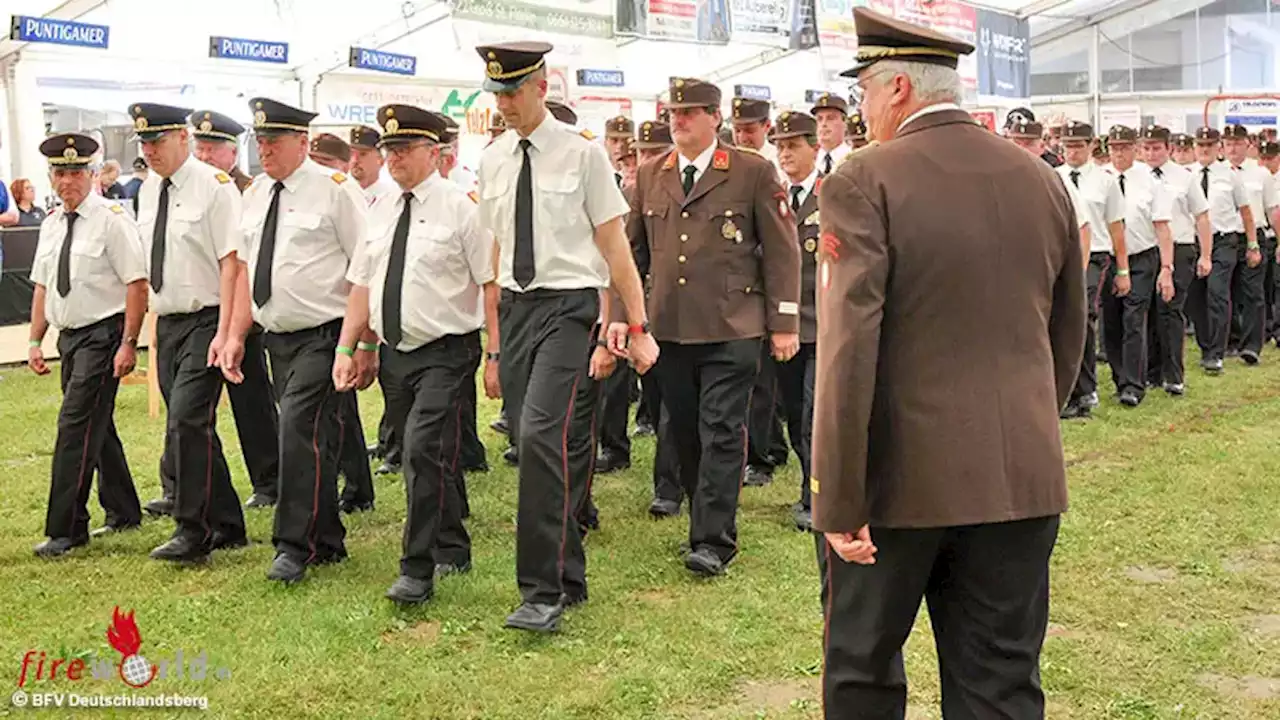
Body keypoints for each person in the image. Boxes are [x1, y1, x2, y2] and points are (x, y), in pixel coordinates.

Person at [813, 9, 1086, 718]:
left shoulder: (862, 178)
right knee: (999, 682)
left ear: (899, 87)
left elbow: (847, 352)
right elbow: (1066, 331)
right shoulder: (1043, 179)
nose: (862, 109)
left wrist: (838, 497)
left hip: (897, 488)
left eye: (866, 92)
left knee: (863, 673)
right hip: (1019, 476)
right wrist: (1026, 426)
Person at [475, 41, 654, 632]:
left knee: (540, 435)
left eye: (512, 91)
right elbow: (497, 253)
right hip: (521, 308)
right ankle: (569, 574)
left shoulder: (583, 157)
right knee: (530, 440)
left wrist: (635, 321)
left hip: (570, 307)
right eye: (495, 92)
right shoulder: (494, 159)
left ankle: (541, 591)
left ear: (541, 87)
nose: (503, 103)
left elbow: (613, 245)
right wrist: (495, 343)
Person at [624, 75, 799, 577]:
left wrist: (783, 321)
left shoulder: (751, 171)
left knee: (723, 429)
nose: (678, 121)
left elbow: (783, 252)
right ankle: (704, 515)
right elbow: (632, 253)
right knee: (683, 430)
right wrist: (624, 318)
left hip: (733, 324)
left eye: (690, 112)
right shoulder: (650, 175)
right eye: (673, 114)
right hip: (671, 327)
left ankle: (712, 539)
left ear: (714, 118)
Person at [334, 105, 499, 605]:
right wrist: (353, 346)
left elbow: (490, 285)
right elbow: (363, 285)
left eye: (405, 148)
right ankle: (452, 542)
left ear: (435, 152)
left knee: (422, 449)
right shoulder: (379, 209)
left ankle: (416, 567)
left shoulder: (462, 208)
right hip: (396, 353)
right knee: (427, 451)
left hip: (447, 351)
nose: (394, 157)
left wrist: (496, 355)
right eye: (389, 150)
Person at [238, 97, 369, 584]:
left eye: (273, 140)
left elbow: (365, 266)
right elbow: (244, 269)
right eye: (260, 141)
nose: (265, 149)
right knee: (314, 438)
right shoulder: (254, 195)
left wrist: (360, 343)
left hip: (326, 334)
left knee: (296, 430)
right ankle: (327, 538)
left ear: (303, 142)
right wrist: (234, 334)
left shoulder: (335, 191)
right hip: (277, 336)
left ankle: (293, 544)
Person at [131, 102, 249, 563]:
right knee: (193, 425)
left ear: (183, 137)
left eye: (156, 141)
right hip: (170, 320)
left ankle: (191, 528)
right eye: (143, 143)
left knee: (185, 419)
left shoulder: (215, 188)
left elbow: (232, 263)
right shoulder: (148, 191)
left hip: (207, 318)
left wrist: (226, 333)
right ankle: (227, 522)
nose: (149, 150)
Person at [27, 134, 147, 557]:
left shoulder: (113, 219)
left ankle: (67, 529)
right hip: (71, 338)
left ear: (94, 175)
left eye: (77, 172)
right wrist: (35, 339)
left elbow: (136, 284)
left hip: (104, 335)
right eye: (60, 173)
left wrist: (129, 343)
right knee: (98, 424)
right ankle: (124, 509)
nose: (68, 182)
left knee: (74, 427)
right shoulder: (52, 223)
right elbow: (43, 286)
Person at [187, 108, 282, 509]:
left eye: (213, 149)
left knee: (252, 398)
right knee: (188, 409)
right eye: (200, 148)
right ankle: (180, 483)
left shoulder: (249, 191)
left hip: (246, 310)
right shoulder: (192, 188)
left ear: (233, 153)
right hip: (202, 308)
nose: (205, 157)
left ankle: (269, 479)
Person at [309, 135, 378, 512]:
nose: (317, 166)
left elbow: (362, 264)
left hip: (337, 315)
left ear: (341, 163)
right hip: (319, 318)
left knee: (332, 409)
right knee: (340, 408)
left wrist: (363, 339)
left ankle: (353, 485)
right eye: (312, 159)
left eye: (325, 160)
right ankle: (356, 484)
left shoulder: (343, 192)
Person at [769, 111, 822, 532]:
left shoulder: (834, 191)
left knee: (813, 415)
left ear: (815, 147)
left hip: (823, 323)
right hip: (784, 324)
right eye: (780, 146)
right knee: (791, 411)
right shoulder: (773, 194)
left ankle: (814, 494)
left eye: (794, 145)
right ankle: (810, 478)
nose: (785, 152)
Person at [1056, 120, 1127, 419]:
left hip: (1095, 255)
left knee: (1082, 317)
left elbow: (1116, 227)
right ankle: (1066, 388)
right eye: (1067, 146)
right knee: (1059, 320)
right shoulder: (1052, 176)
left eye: (1078, 145)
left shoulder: (1105, 180)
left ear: (1091, 146)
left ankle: (1085, 389)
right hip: (1060, 253)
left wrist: (1123, 270)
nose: (1072, 152)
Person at [1100, 125, 1175, 407]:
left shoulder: (1150, 180)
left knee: (1134, 319)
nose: (1119, 153)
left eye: (1124, 147)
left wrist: (1166, 268)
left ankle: (1133, 384)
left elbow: (1163, 227)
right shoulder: (1101, 178)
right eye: (1114, 147)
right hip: (1108, 258)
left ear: (1135, 148)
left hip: (1141, 256)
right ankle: (1120, 377)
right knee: (1112, 322)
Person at [1143, 125, 1211, 395]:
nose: (1151, 153)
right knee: (1147, 311)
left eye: (1156, 148)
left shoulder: (1184, 177)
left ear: (1169, 148)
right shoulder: (1136, 177)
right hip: (1147, 248)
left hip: (1180, 248)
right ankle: (1152, 371)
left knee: (1170, 310)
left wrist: (1206, 254)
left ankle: (1173, 375)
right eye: (1146, 148)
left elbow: (1202, 216)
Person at [1186, 126, 1255, 375]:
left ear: (1218, 148)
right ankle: (1206, 345)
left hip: (1224, 241)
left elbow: (1246, 212)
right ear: (1195, 147)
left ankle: (1216, 353)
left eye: (1210, 145)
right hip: (1193, 242)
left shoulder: (1231, 174)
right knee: (1194, 299)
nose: (1205, 149)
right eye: (1200, 145)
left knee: (1217, 294)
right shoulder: (1187, 175)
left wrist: (1252, 244)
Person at [1222, 123, 1280, 363]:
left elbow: (1272, 209)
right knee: (1226, 292)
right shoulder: (1215, 173)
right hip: (1226, 237)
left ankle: (1252, 346)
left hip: (1255, 236)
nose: (1233, 147)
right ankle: (1232, 339)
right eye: (1229, 143)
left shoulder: (1261, 173)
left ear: (1248, 144)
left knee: (1254, 293)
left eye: (1238, 143)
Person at [810, 93, 850, 174]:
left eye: (830, 118)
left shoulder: (853, 160)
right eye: (819, 119)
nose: (823, 124)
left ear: (845, 123)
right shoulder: (808, 160)